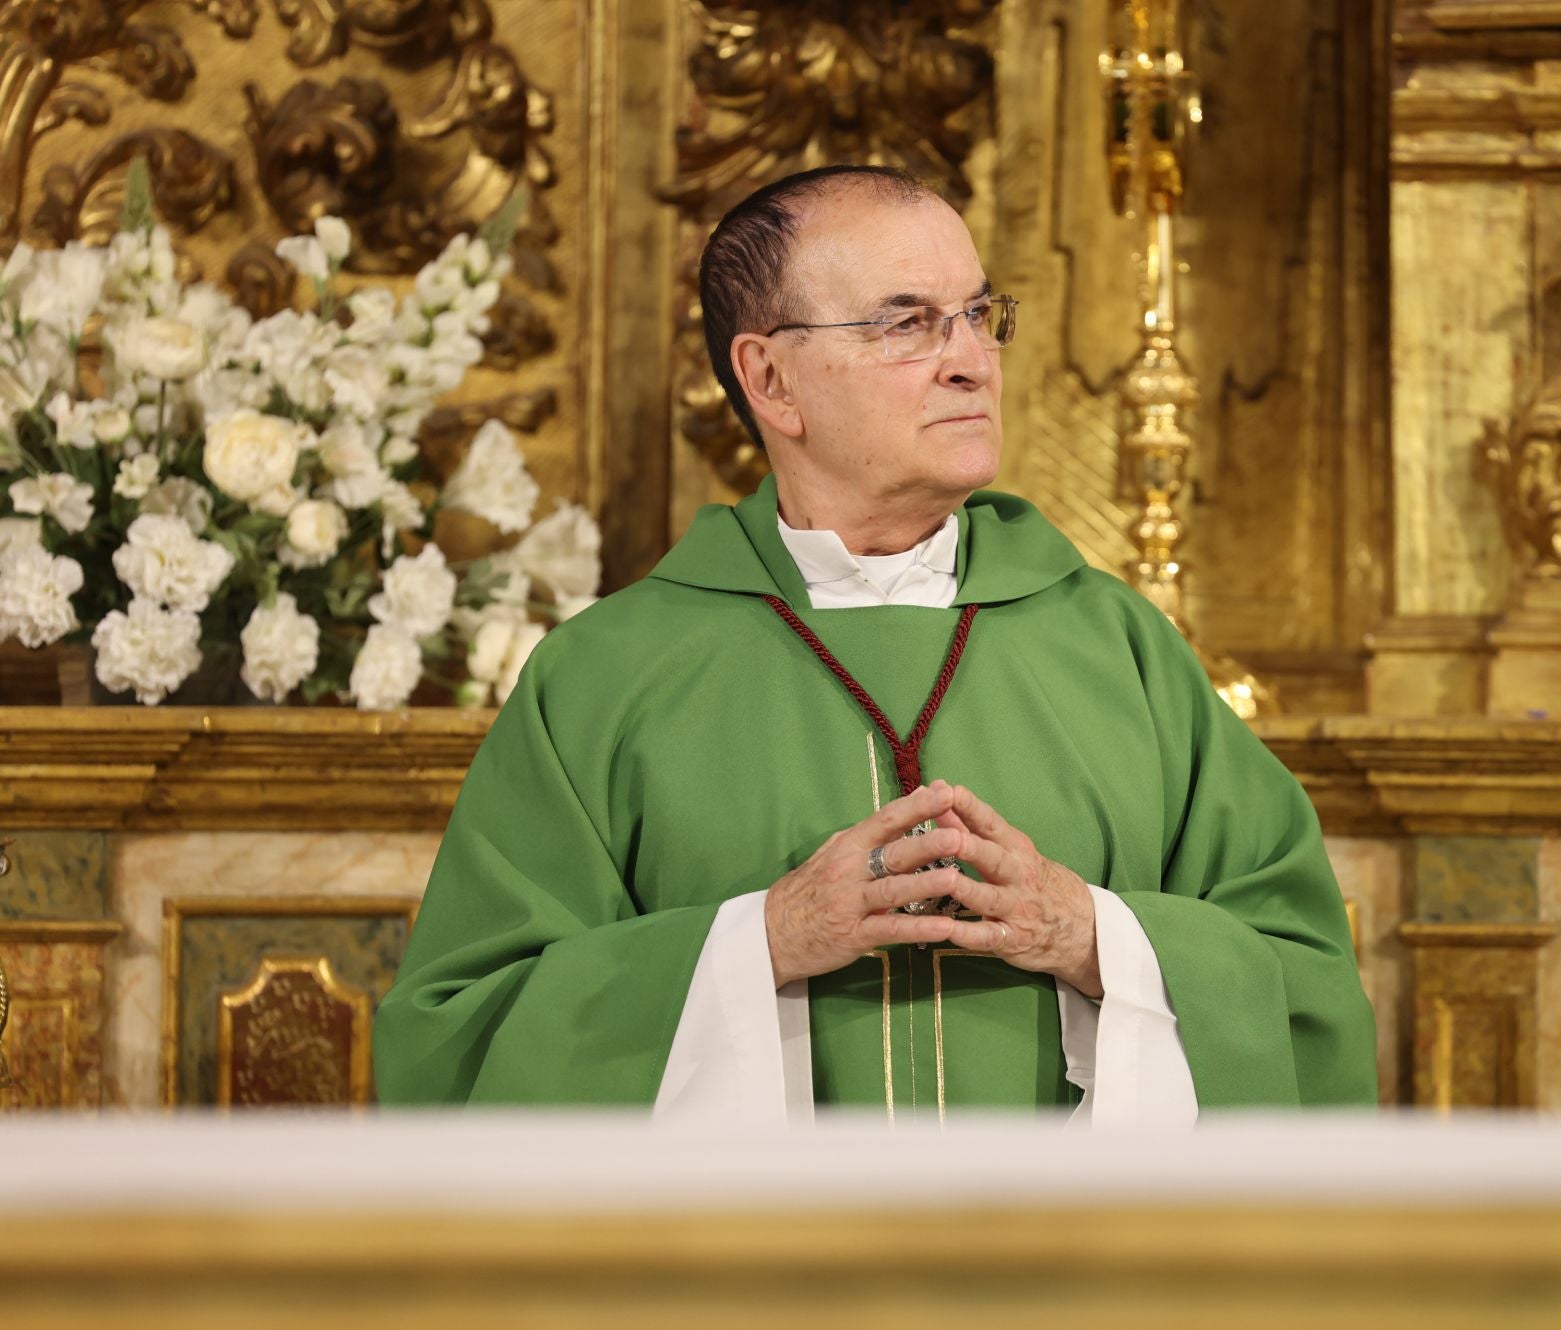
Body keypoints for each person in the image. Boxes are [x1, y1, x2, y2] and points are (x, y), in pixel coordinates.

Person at [372, 165, 1375, 1122]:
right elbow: (460, 1044)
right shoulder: (605, 679)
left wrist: (1091, 936)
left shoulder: (1119, 651)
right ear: (771, 380)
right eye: (907, 323)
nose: (970, 358)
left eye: (980, 315)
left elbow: (1309, 995)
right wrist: (760, 942)